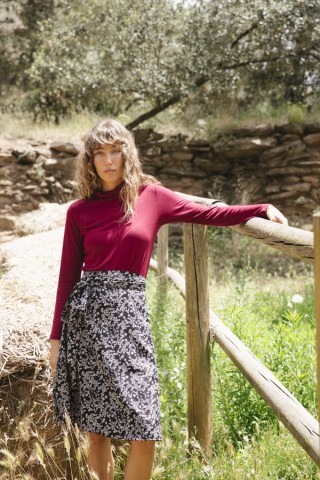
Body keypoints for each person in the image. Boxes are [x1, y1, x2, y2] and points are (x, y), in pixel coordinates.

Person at [49, 118, 288, 480]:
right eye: (100, 153)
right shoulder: (78, 212)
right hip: (89, 325)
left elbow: (207, 213)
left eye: (116, 151)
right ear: (90, 160)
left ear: (129, 154)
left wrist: (257, 208)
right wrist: (56, 339)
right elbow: (68, 277)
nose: (109, 160)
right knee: (96, 431)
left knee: (144, 428)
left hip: (131, 322)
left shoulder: (152, 197)